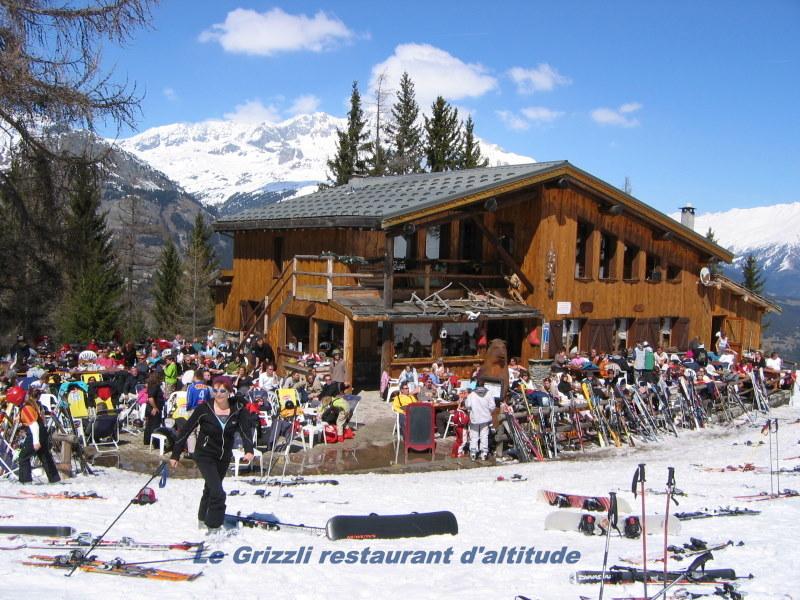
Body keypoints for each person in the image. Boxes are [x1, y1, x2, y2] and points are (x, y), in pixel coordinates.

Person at [170, 376, 254, 532]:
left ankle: (202, 518)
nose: (219, 394)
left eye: (222, 390)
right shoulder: (204, 409)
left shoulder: (237, 409)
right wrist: (175, 454)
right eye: (215, 390)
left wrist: (249, 450)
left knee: (210, 488)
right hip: (204, 455)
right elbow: (186, 430)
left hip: (223, 456)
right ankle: (214, 527)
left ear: (229, 392)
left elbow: (245, 431)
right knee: (218, 493)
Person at [16, 389, 61, 484]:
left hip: (35, 432)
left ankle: (26, 481)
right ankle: (54, 479)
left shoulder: (26, 408)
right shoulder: (32, 404)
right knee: (44, 456)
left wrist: (36, 441)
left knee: (23, 457)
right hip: (42, 431)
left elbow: (34, 425)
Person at [465, 385, 495, 461]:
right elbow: (492, 406)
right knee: (484, 435)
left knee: (474, 436)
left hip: (474, 418)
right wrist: (488, 412)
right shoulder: (489, 393)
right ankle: (484, 452)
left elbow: (468, 405)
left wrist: (471, 410)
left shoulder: (472, 394)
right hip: (485, 418)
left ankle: (473, 452)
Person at [143, 371, 165, 446]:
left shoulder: (151, 385)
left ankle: (147, 440)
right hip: (153, 408)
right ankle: (155, 443)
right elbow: (151, 398)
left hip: (150, 407)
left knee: (149, 425)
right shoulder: (155, 386)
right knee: (154, 426)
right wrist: (155, 408)